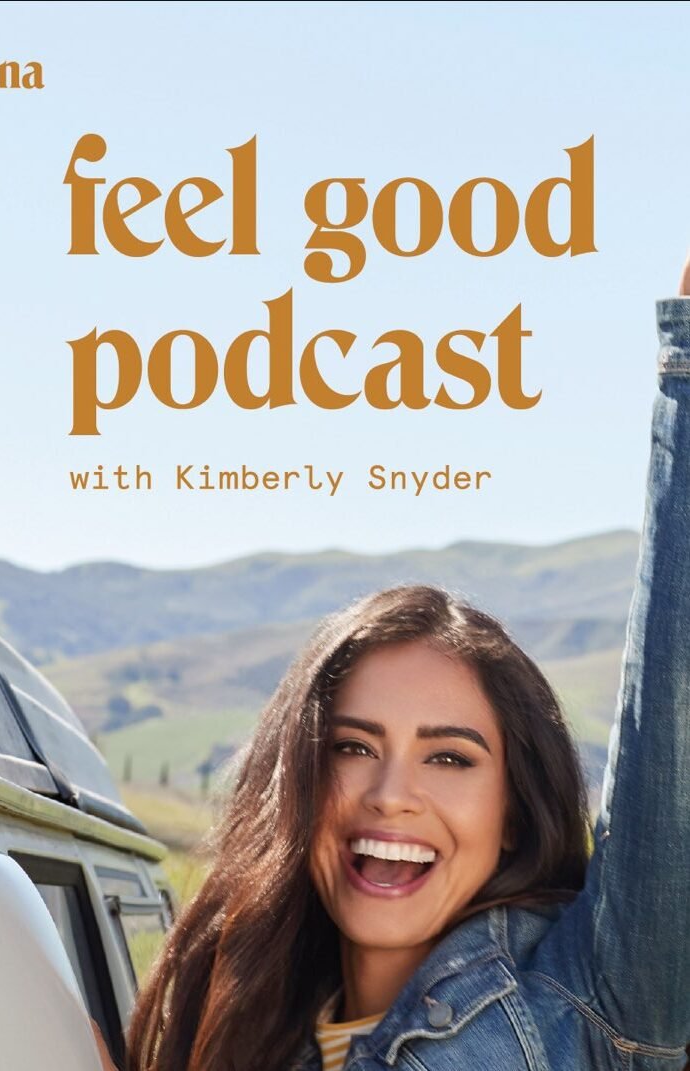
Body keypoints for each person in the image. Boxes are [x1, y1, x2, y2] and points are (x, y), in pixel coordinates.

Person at [124, 282, 690, 1071]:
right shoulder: (230, 1039)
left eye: (450, 756)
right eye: (353, 746)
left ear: (514, 817)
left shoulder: (585, 1012)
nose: (391, 790)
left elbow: (675, 715)